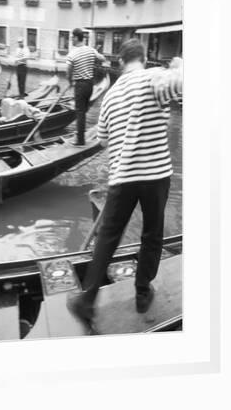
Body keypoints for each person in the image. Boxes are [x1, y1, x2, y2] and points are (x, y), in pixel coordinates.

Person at [68, 39, 183, 327]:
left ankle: (87, 298)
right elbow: (182, 83)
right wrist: (179, 66)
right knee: (152, 234)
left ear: (120, 62)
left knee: (108, 237)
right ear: (142, 58)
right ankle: (142, 292)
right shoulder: (153, 77)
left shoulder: (110, 95)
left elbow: (104, 139)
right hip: (155, 175)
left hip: (122, 176)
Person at [66, 28, 105, 145]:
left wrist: (70, 81)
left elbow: (68, 71)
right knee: (84, 110)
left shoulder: (72, 53)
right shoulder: (91, 50)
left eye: (72, 37)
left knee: (80, 112)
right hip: (90, 84)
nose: (71, 39)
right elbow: (102, 58)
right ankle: (82, 132)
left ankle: (80, 140)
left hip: (80, 85)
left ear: (77, 38)